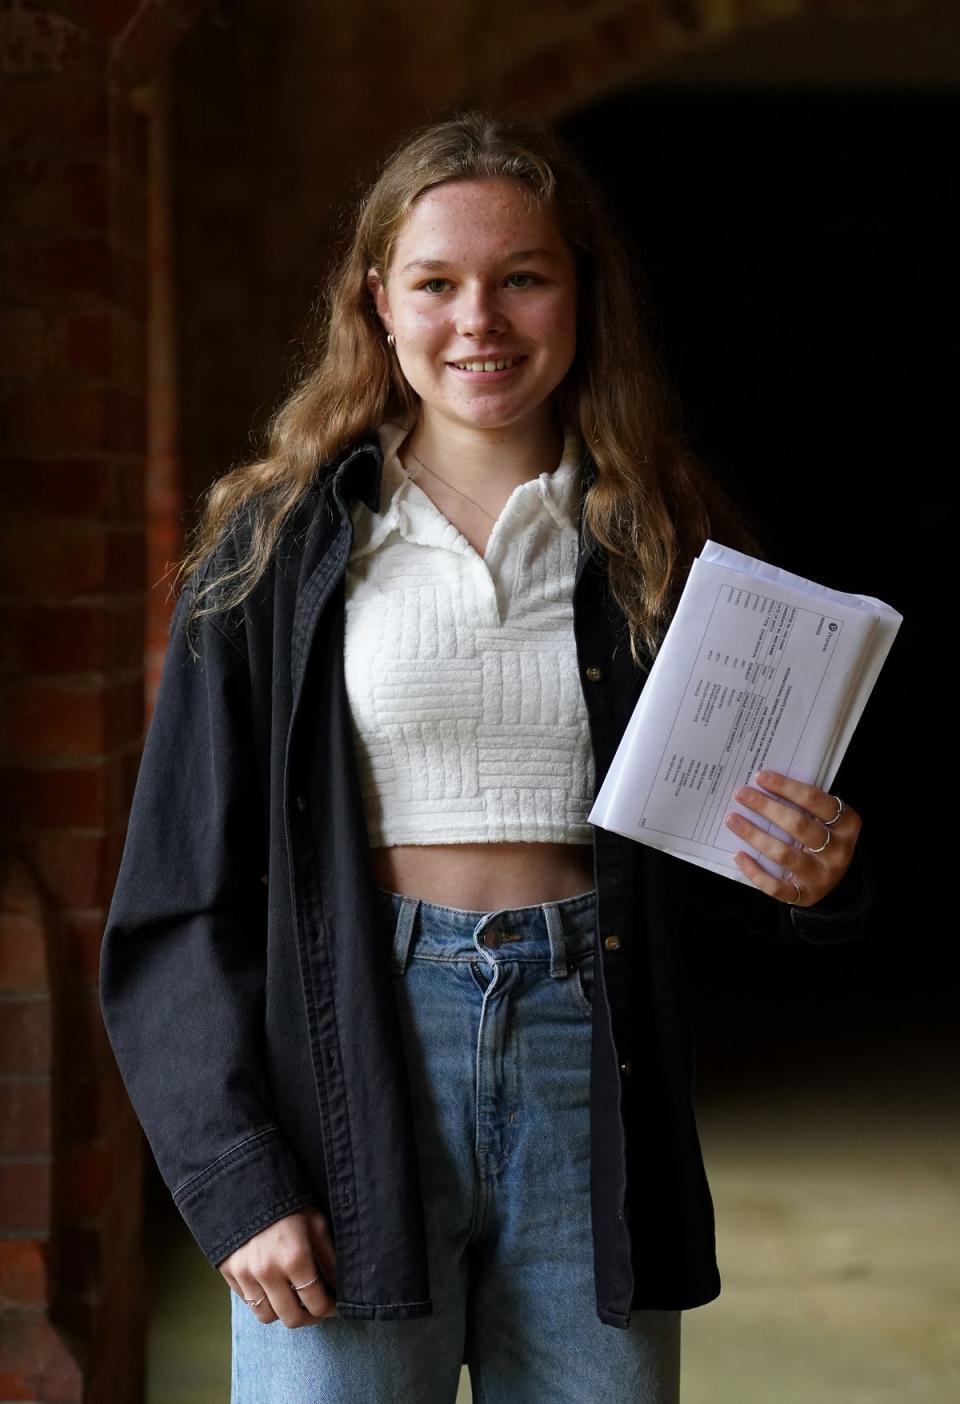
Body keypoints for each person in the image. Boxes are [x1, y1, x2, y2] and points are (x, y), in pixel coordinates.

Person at [99, 111, 870, 1404]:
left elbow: (758, 862)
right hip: (344, 1070)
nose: (482, 322)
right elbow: (175, 904)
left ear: (580, 295)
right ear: (377, 306)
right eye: (438, 284)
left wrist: (821, 876)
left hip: (592, 1071)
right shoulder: (272, 552)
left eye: (523, 277)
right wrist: (237, 1179)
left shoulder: (668, 546)